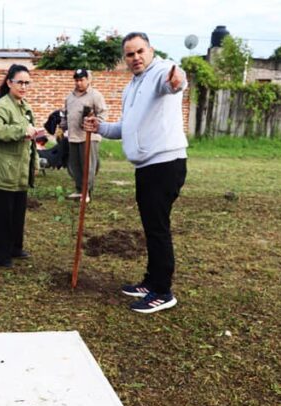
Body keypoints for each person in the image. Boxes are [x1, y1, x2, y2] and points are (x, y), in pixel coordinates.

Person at [84, 32, 188, 314]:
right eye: (130, 54)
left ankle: (163, 291)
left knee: (157, 228)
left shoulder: (161, 72)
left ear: (150, 51)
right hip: (146, 167)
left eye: (140, 51)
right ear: (125, 58)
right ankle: (151, 280)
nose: (136, 58)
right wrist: (100, 128)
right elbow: (126, 127)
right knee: (151, 226)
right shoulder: (132, 86)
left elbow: (175, 82)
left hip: (165, 164)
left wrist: (177, 82)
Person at [0, 64, 40, 268]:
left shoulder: (24, 105)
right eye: (19, 82)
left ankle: (14, 247)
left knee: (17, 212)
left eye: (27, 83)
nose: (23, 86)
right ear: (9, 83)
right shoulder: (2, 105)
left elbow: (31, 137)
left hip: (19, 171)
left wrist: (35, 163)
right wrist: (22, 130)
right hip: (3, 171)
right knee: (2, 215)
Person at [64, 69, 107, 203]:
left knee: (88, 166)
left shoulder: (95, 95)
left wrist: (94, 123)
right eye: (77, 80)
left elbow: (103, 114)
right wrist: (62, 128)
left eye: (82, 80)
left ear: (88, 80)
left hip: (89, 136)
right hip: (73, 136)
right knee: (74, 165)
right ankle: (78, 190)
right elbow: (66, 114)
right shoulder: (70, 97)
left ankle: (86, 192)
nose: (79, 83)